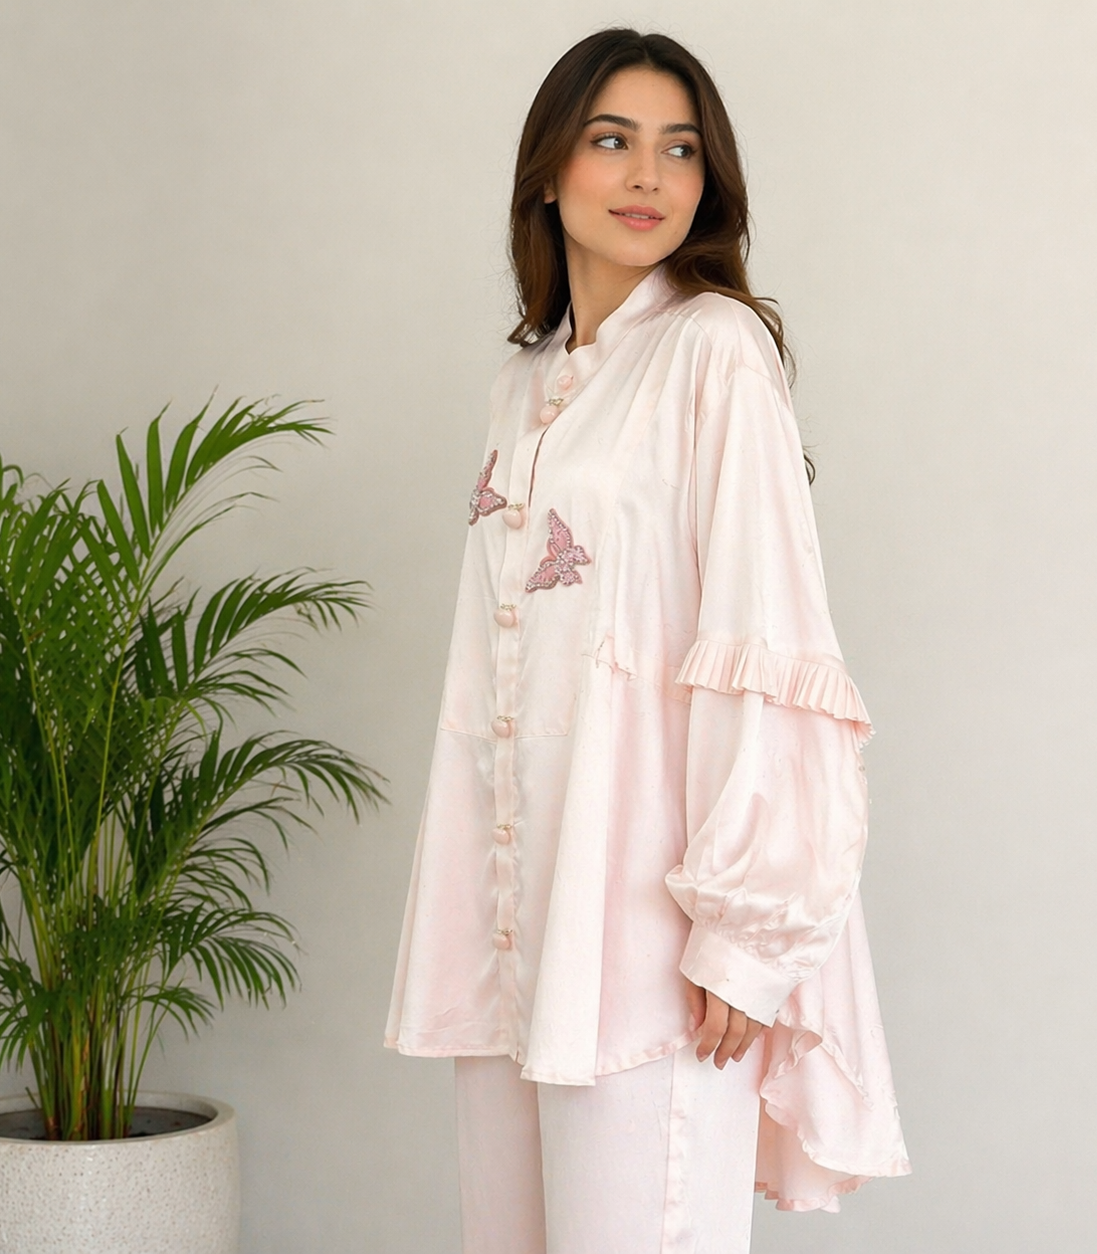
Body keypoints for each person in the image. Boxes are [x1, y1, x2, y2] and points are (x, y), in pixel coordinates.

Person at [385, 28, 910, 1254]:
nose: (647, 176)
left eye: (679, 149)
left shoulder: (716, 350)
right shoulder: (524, 384)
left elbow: (769, 634)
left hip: (652, 941)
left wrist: (746, 937)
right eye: (612, 139)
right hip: (519, 933)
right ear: (549, 170)